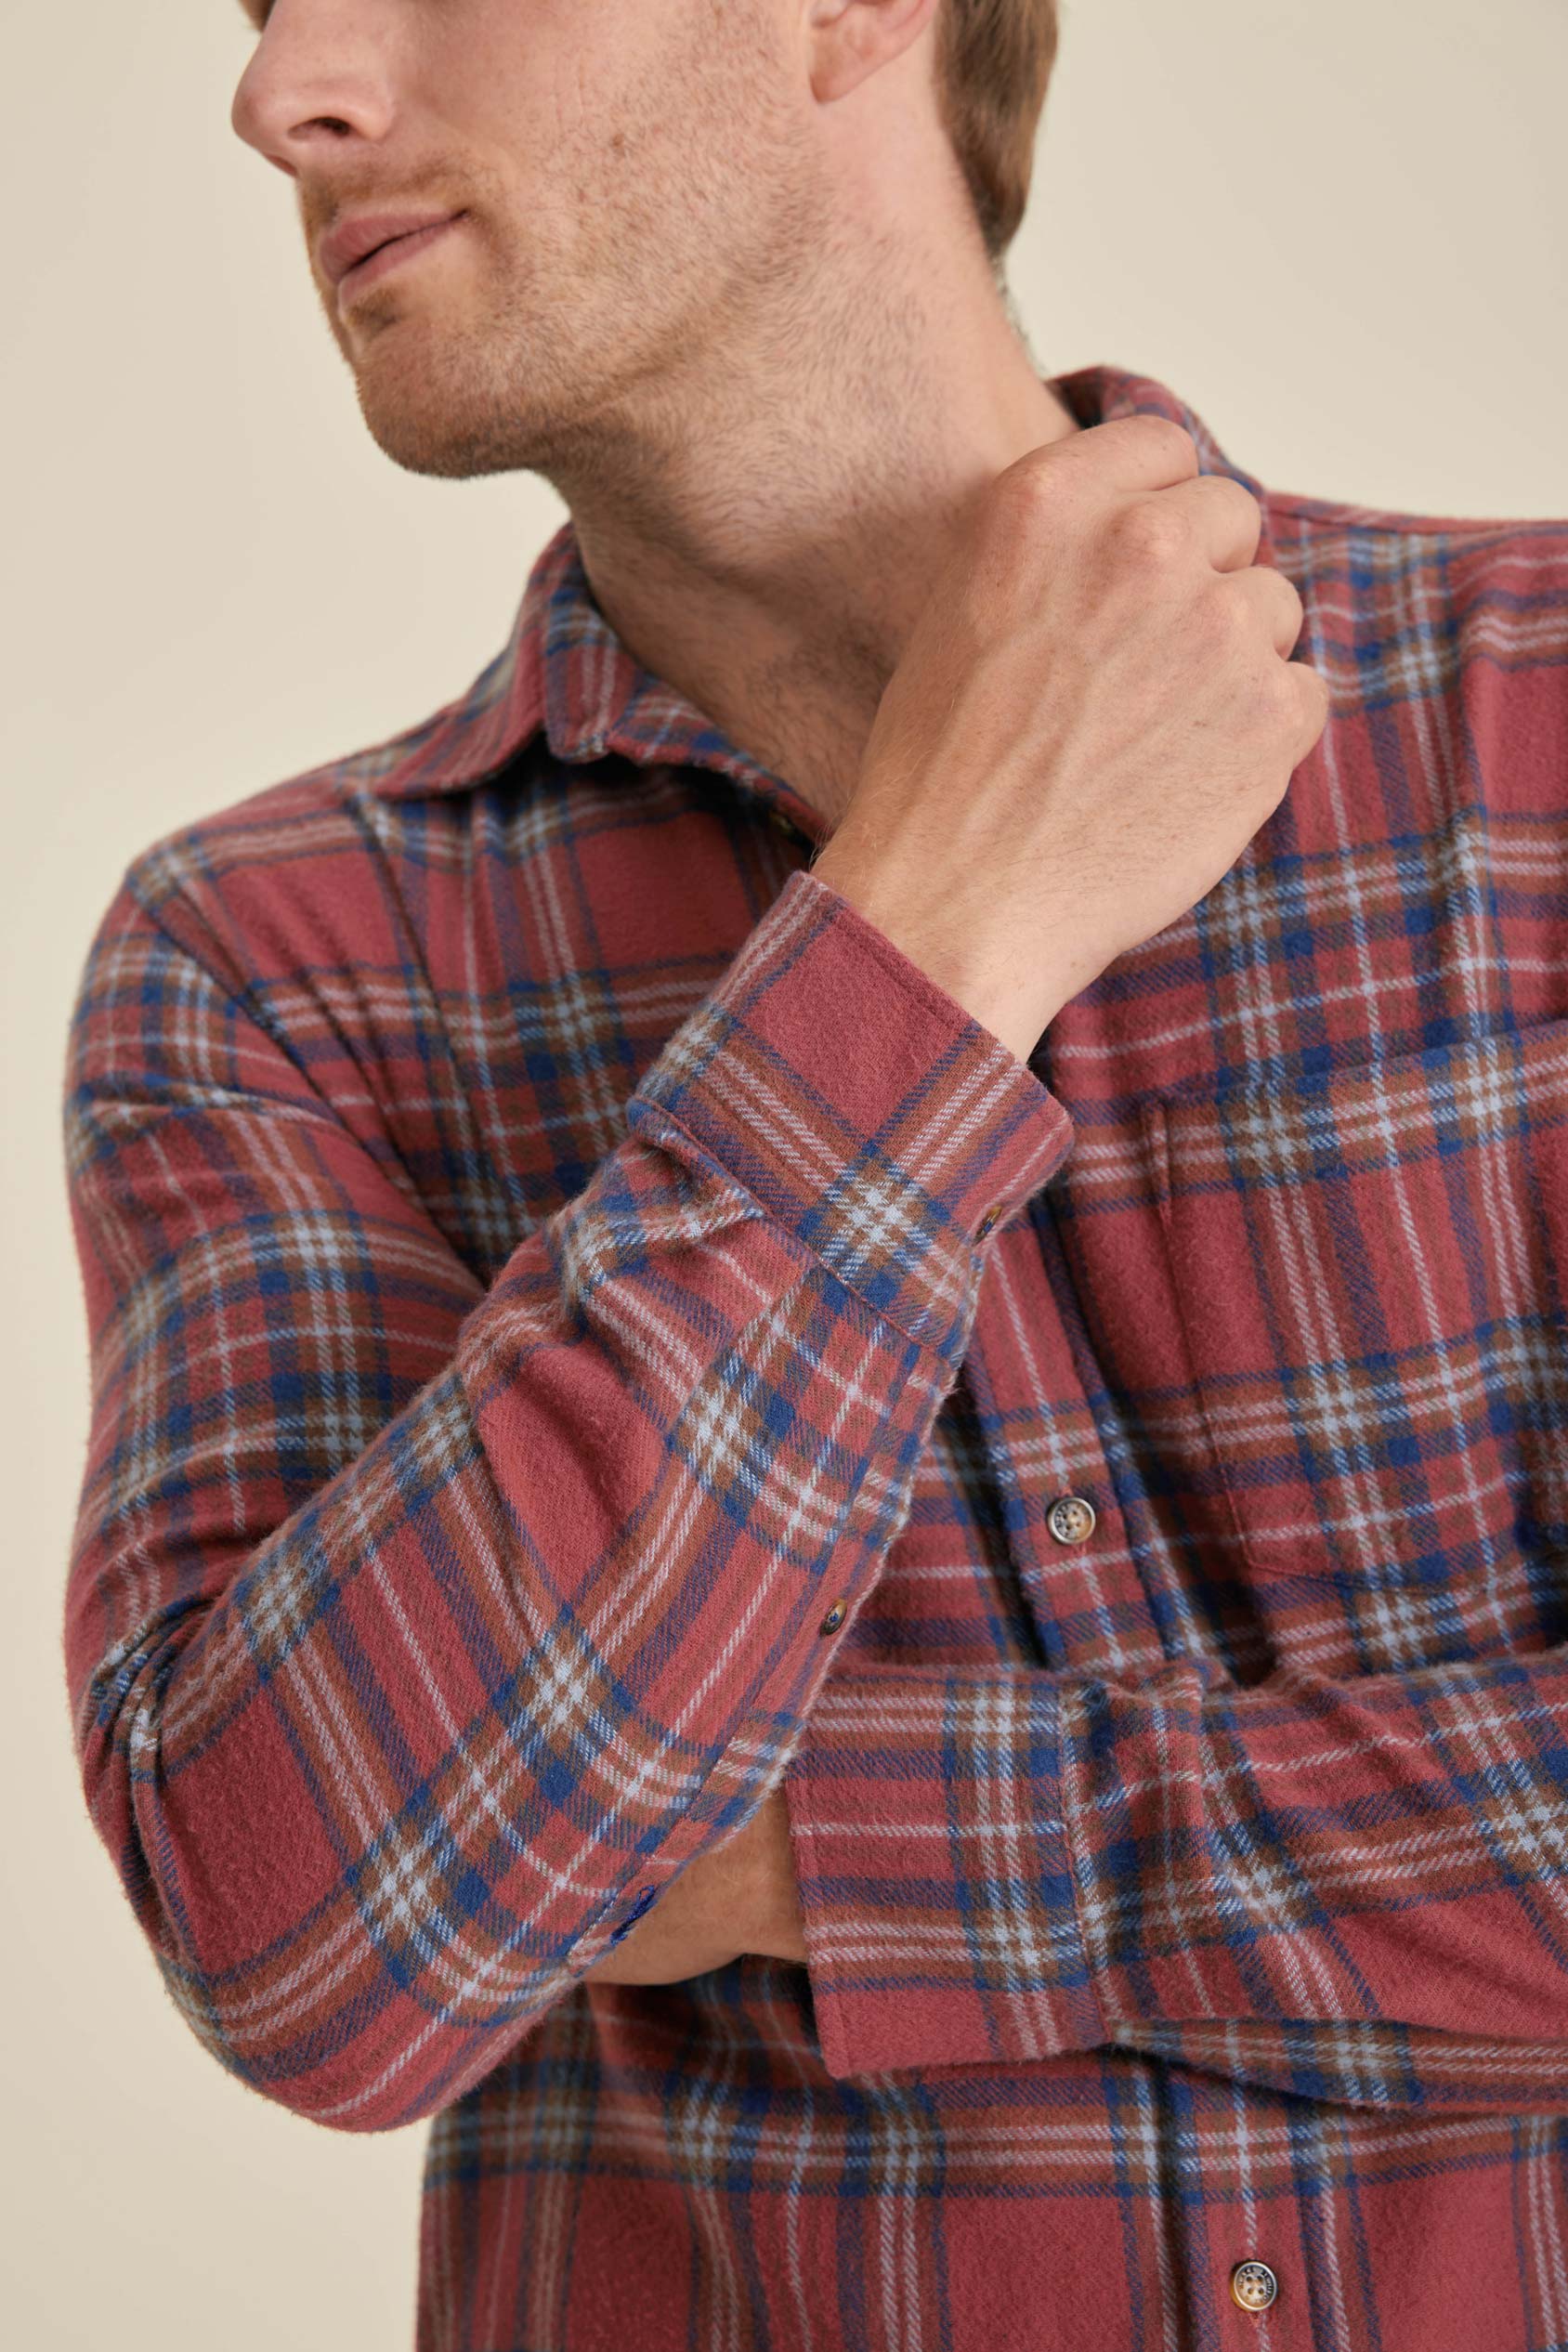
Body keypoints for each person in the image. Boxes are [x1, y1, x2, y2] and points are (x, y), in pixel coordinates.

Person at [59, 2, 1568, 2345]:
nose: (283, 96)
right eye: (262, 9)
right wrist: (940, 931)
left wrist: (832, 1849)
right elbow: (312, 1943)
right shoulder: (273, 964)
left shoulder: (1542, 729)